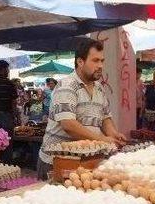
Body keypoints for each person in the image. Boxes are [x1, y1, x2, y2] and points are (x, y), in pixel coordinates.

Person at [37, 39, 126, 180]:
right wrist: (102, 140)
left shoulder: (99, 88)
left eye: (102, 61)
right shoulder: (67, 86)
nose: (100, 65)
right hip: (57, 162)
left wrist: (113, 135)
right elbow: (69, 125)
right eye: (95, 61)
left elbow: (105, 118)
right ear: (80, 62)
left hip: (86, 161)